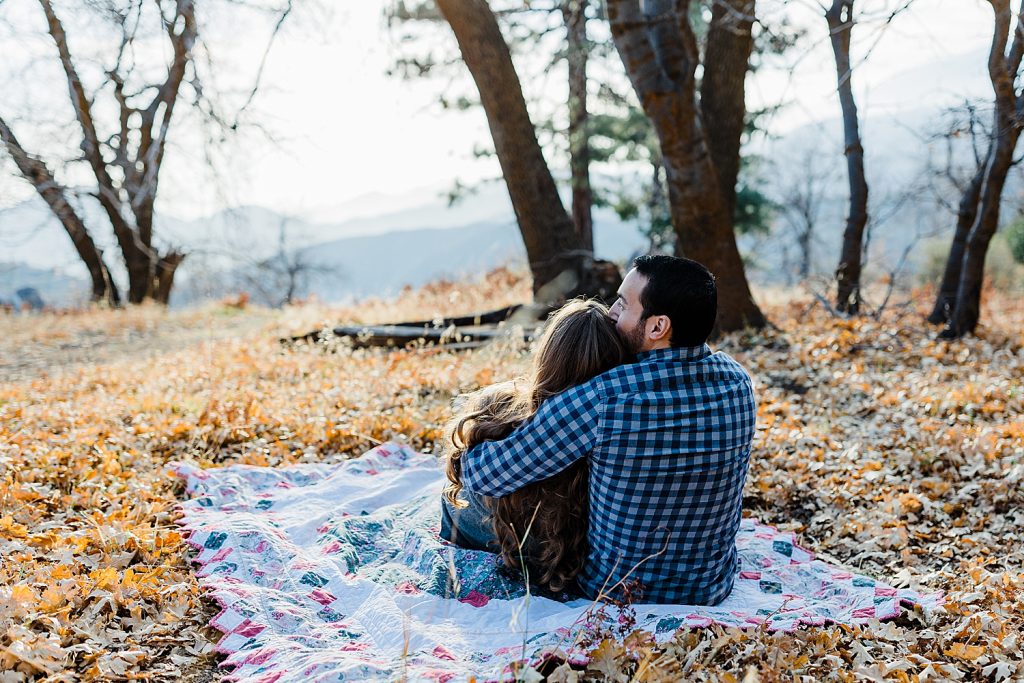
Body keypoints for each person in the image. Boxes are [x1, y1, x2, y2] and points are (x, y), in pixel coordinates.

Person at [448, 254, 757, 605]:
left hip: (617, 593)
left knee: (462, 504)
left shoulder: (605, 397)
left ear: (658, 328)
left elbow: (487, 476)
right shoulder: (738, 383)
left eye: (623, 305)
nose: (611, 313)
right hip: (710, 588)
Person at [441, 299, 630, 594]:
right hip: (567, 552)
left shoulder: (502, 408)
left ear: (548, 356)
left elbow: (468, 473)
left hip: (506, 536)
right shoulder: (622, 420)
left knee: (452, 499)